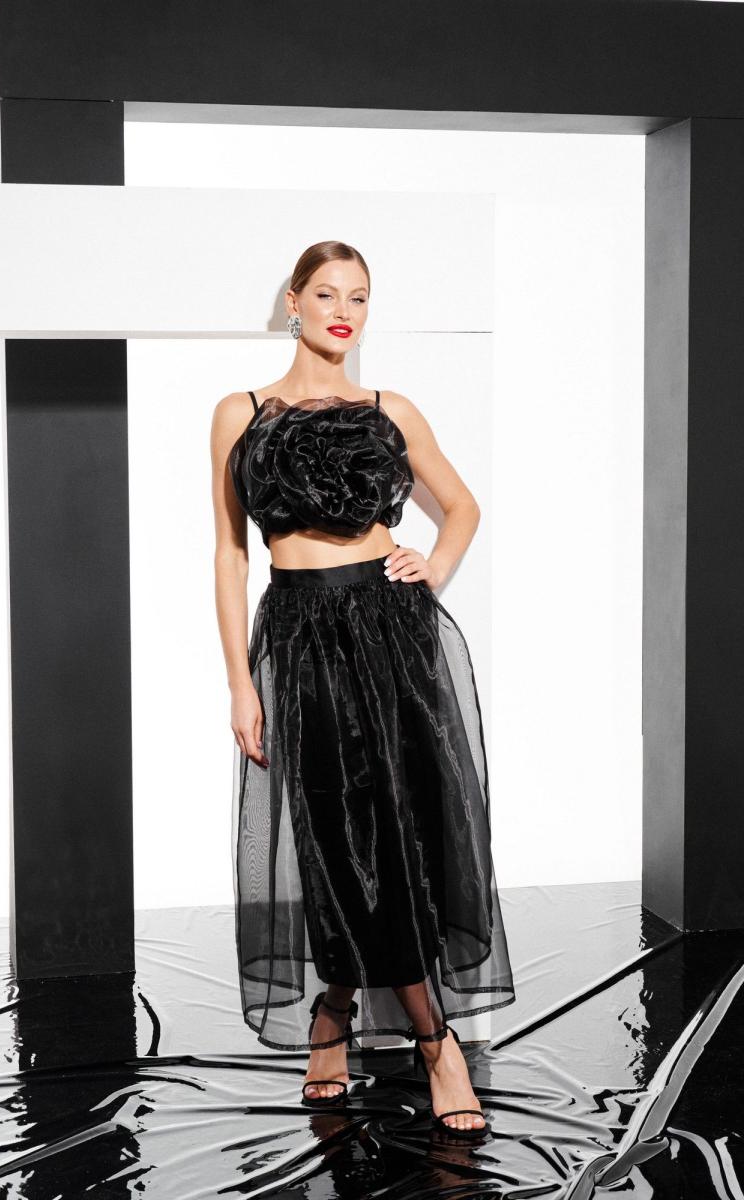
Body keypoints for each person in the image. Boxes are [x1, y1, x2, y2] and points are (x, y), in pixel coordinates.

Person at [211, 240, 515, 1139]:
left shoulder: (392, 411)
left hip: (391, 630)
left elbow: (462, 506)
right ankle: (337, 1006)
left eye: (360, 297)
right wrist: (239, 683)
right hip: (300, 632)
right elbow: (230, 554)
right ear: (293, 301)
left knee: (403, 828)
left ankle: (432, 1039)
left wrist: (435, 565)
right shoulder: (240, 412)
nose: (343, 311)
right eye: (327, 294)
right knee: (332, 835)